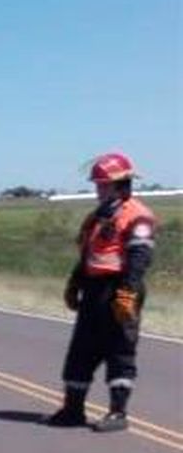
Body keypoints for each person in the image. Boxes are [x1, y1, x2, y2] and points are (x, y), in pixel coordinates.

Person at [47, 152, 156, 432]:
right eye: (98, 185)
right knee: (81, 351)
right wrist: (74, 285)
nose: (98, 191)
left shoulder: (138, 216)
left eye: (103, 185)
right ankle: (73, 410)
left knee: (120, 350)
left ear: (121, 185)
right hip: (94, 291)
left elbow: (138, 262)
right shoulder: (96, 217)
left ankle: (118, 414)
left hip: (120, 287)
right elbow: (87, 255)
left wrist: (126, 296)